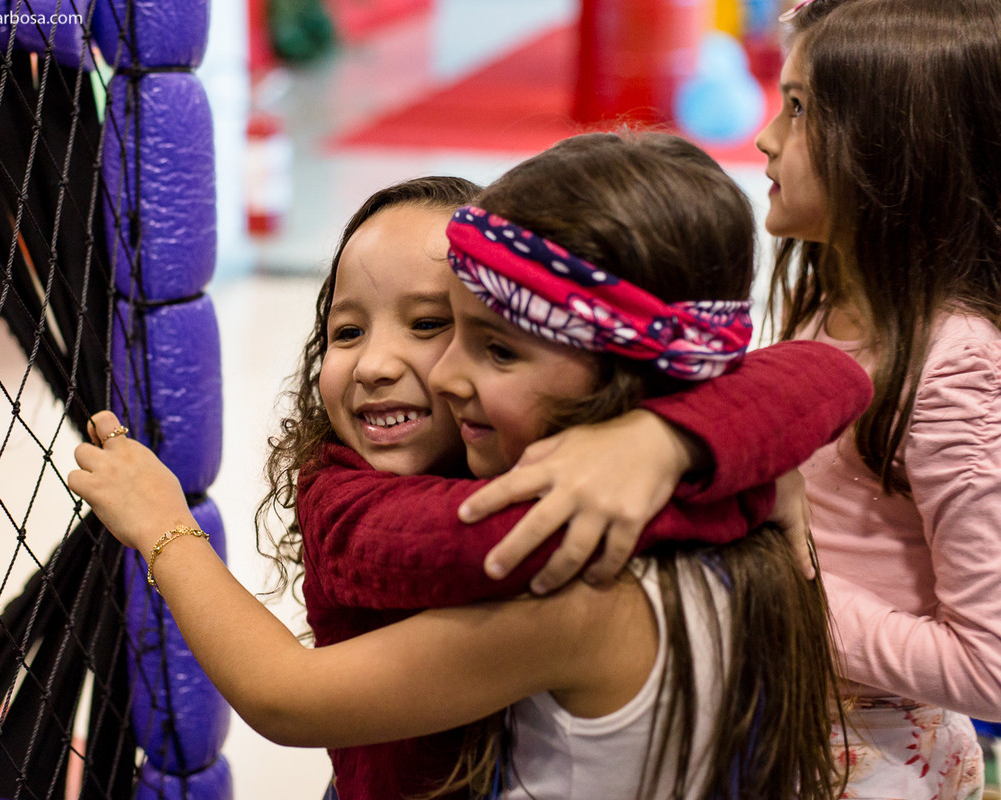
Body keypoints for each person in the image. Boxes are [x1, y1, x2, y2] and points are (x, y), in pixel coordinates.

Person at [70, 132, 868, 799]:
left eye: (477, 341)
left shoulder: (582, 593)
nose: (435, 370)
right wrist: (709, 454)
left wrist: (164, 526)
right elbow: (822, 374)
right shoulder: (722, 498)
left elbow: (285, 696)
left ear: (620, 373)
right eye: (345, 332)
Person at [749, 0, 1001, 795]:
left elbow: (990, 664)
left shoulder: (953, 366)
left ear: (897, 150)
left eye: (798, 110)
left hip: (874, 759)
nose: (765, 137)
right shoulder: (834, 300)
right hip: (790, 718)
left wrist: (773, 582)